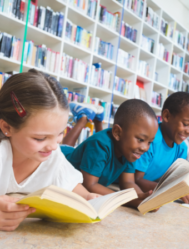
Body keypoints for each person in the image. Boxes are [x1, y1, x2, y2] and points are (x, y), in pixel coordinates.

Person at [0, 69, 99, 231]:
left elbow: (71, 184)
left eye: (60, 133)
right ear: (7, 128)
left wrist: (89, 198)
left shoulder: (54, 155)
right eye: (40, 138)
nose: (53, 146)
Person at [62, 99, 159, 209]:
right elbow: (89, 185)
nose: (145, 148)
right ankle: (83, 118)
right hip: (62, 157)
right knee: (67, 147)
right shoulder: (99, 144)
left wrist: (142, 197)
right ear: (117, 133)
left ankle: (98, 120)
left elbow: (128, 182)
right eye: (141, 139)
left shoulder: (130, 151)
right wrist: (131, 201)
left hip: (79, 153)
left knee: (74, 148)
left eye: (150, 142)